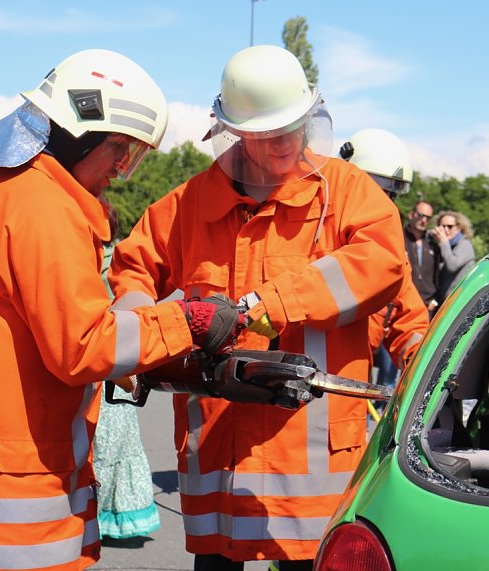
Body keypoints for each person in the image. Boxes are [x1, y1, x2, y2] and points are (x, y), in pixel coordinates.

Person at [0, 49, 243, 571]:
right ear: (79, 133)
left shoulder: (10, 192)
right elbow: (83, 346)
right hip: (4, 510)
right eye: (119, 148)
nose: (121, 168)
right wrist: (187, 321)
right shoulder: (43, 207)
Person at [107, 45, 406, 570]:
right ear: (236, 134)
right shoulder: (189, 205)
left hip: (308, 468)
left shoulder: (346, 194)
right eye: (269, 135)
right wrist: (135, 343)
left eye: (294, 128)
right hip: (219, 456)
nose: (287, 144)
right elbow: (132, 270)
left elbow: (381, 264)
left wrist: (272, 303)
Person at [339, 128, 430, 397]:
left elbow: (409, 325)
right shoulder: (314, 239)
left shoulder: (390, 259)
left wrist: (428, 368)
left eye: (390, 195)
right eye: (376, 191)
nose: (384, 204)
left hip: (351, 396)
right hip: (294, 396)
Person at [93, 208, 160, 542]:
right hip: (116, 365)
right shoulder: (116, 260)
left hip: (100, 363)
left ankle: (94, 514)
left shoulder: (93, 261)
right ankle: (110, 513)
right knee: (114, 444)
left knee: (100, 444)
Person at [405, 200, 441, 317]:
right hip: (403, 304)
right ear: (411, 215)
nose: (424, 220)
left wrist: (434, 302)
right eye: (420, 215)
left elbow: (437, 277)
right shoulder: (399, 239)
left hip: (427, 307)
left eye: (428, 218)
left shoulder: (433, 244)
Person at [431, 210, 476, 305]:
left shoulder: (464, 245)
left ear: (459, 228)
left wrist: (443, 242)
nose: (445, 230)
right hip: (443, 302)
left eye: (449, 226)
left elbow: (452, 266)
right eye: (442, 226)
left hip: (458, 302)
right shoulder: (447, 246)